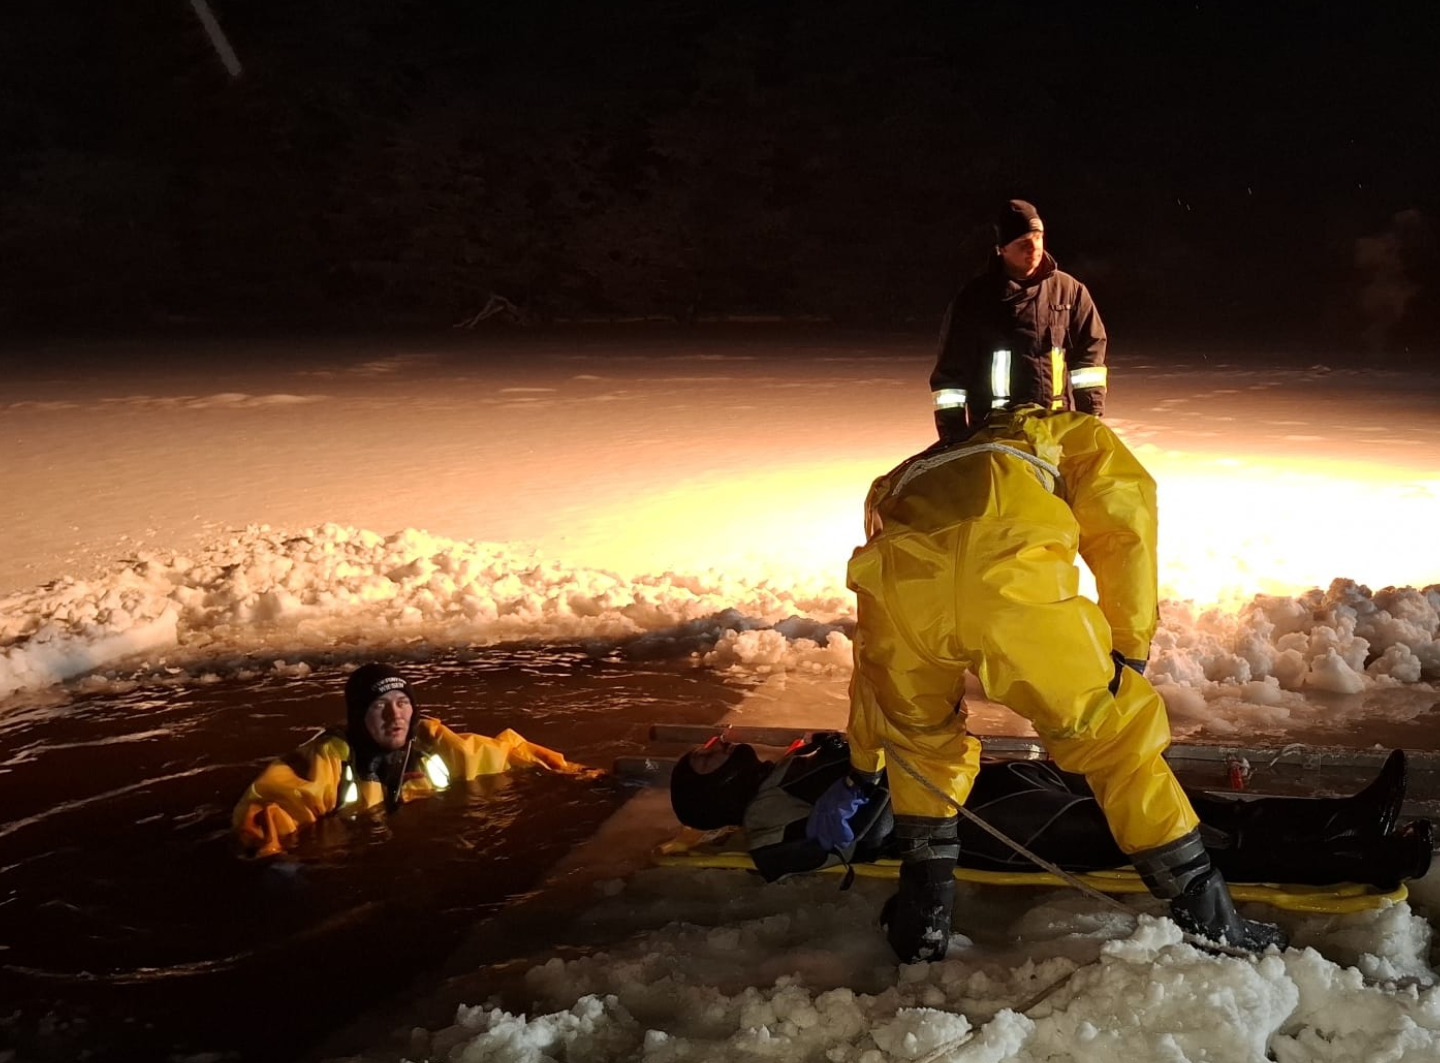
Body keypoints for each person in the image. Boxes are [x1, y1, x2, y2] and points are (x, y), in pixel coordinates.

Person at [809, 403, 1289, 964]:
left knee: (920, 744)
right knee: (1114, 744)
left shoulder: (901, 477)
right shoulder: (1063, 434)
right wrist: (1128, 648)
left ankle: (923, 917)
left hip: (904, 599)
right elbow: (1123, 528)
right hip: (1015, 593)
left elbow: (872, 651)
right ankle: (1208, 918)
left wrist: (865, 768)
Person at [670, 732, 1434, 896]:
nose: (720, 743)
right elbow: (802, 854)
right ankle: (1357, 855)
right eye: (706, 757)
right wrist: (842, 816)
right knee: (1178, 839)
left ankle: (1347, 815)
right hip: (991, 827)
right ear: (713, 794)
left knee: (1172, 800)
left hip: (1001, 785)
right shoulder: (767, 819)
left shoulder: (792, 765)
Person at [234, 662, 601, 856]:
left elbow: (508, 752)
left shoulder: (433, 744)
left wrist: (578, 773)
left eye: (402, 703)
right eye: (380, 706)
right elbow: (270, 803)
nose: (395, 717)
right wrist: (272, 854)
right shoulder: (329, 760)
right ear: (359, 715)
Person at [931, 198, 1107, 441]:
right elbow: (951, 377)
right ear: (1002, 249)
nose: (1034, 247)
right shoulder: (974, 300)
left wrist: (1091, 418)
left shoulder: (1070, 292)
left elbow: (1089, 362)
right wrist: (953, 436)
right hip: (994, 432)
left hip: (1055, 427)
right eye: (1023, 242)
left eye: (1038, 237)